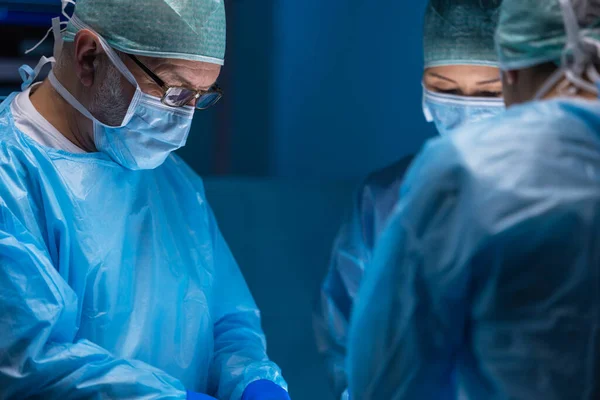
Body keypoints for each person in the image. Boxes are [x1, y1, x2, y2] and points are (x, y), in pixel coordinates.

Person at [0, 1, 290, 399]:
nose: (185, 120)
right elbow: (28, 365)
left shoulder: (172, 182)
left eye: (201, 97)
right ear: (89, 58)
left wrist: (251, 380)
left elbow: (227, 318)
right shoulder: (10, 180)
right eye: (174, 92)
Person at [347, 0, 600, 398]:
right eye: (446, 87)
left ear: (511, 71)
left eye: (491, 89)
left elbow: (388, 381)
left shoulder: (458, 177)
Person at [312, 1, 504, 398]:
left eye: (489, 92)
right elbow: (349, 343)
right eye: (447, 89)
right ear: (424, 89)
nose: (466, 109)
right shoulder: (386, 202)